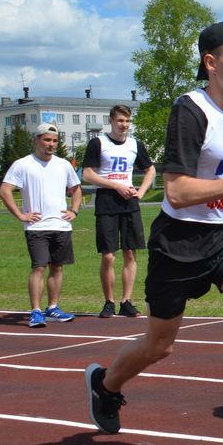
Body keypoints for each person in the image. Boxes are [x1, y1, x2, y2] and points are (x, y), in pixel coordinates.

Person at [85, 21, 223, 438]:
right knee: (159, 346)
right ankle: (105, 386)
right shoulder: (191, 110)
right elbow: (177, 191)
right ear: (211, 62)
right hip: (178, 242)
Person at [0, 123, 82, 328]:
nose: (51, 144)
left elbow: (77, 189)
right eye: (46, 140)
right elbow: (5, 190)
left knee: (57, 267)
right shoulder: (23, 164)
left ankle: (53, 307)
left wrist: (74, 210)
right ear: (36, 140)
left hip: (61, 226)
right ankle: (36, 311)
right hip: (37, 227)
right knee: (39, 267)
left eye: (54, 141)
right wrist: (20, 214)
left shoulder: (63, 164)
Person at [81, 105, 156, 318]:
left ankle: (127, 301)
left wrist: (140, 191)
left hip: (129, 203)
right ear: (111, 121)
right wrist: (116, 186)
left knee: (130, 253)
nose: (124, 125)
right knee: (108, 256)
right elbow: (87, 174)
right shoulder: (98, 143)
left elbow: (149, 169)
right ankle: (109, 301)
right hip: (107, 202)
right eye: (120, 121)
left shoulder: (135, 145)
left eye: (127, 121)